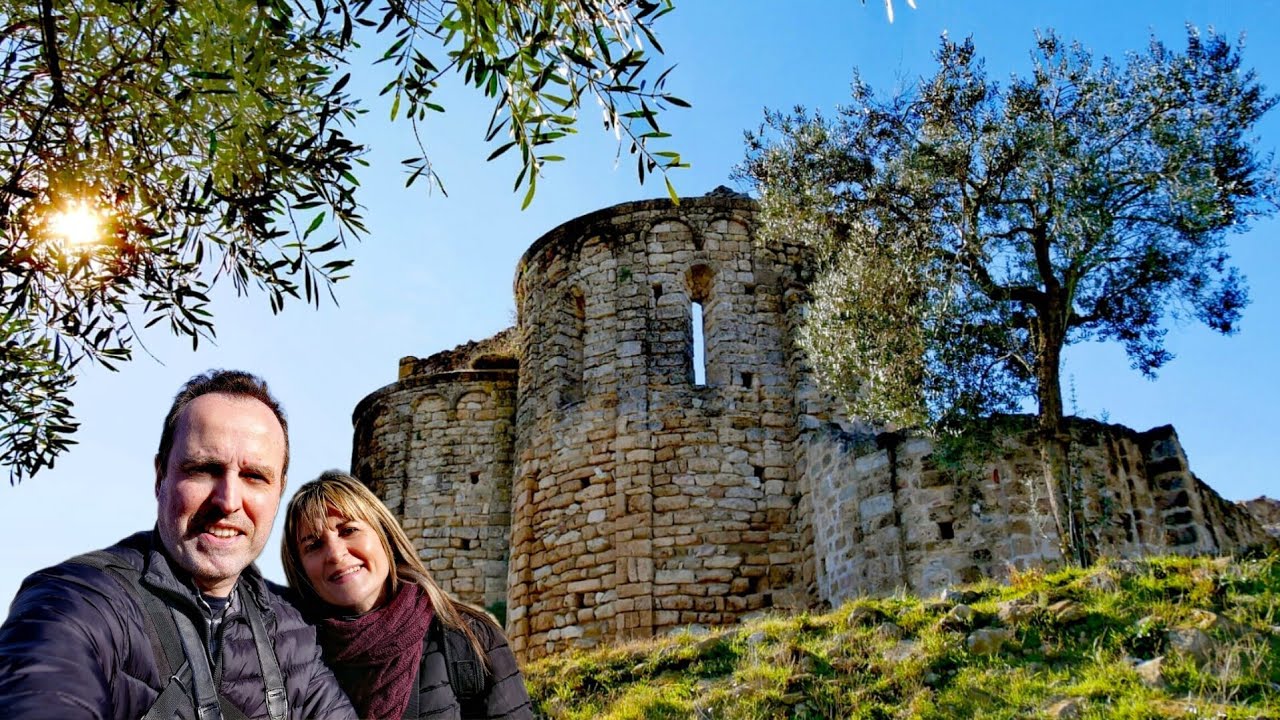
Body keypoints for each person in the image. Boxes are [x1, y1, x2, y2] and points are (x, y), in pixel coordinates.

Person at [0, 370, 356, 720]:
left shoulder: (293, 630)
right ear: (161, 477)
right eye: (204, 469)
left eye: (254, 477)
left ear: (278, 491)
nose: (228, 501)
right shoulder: (77, 601)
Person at [282, 471, 533, 720]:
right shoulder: (292, 663)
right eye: (313, 545)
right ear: (300, 569)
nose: (335, 554)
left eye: (348, 530)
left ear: (385, 536)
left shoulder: (471, 639)